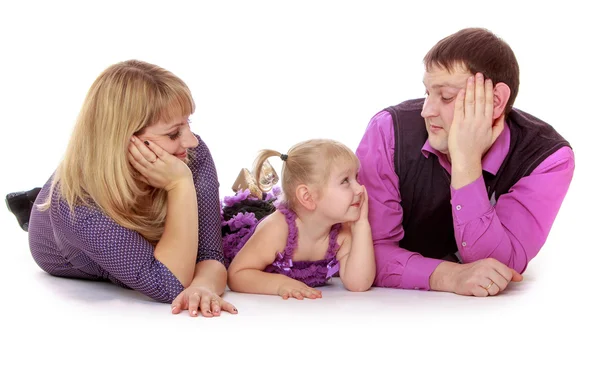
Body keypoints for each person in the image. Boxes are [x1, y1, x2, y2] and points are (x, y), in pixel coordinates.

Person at [356, 28, 575, 297]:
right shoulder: (388, 130)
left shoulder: (547, 158)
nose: (427, 111)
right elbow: (364, 252)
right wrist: (450, 276)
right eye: (427, 93)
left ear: (495, 102)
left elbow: (498, 270)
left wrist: (466, 161)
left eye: (446, 96)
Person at [11, 60, 236, 317]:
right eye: (174, 134)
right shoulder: (77, 206)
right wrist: (179, 185)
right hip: (64, 244)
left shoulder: (190, 155)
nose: (191, 140)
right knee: (46, 207)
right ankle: (28, 205)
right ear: (121, 140)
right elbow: (168, 283)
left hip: (139, 224)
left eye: (188, 124)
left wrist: (202, 287)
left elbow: (208, 254)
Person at [223, 139, 375, 299]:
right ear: (307, 196)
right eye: (345, 181)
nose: (360, 188)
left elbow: (358, 283)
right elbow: (237, 275)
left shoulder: (341, 233)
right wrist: (280, 284)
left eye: (356, 178)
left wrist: (361, 225)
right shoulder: (277, 229)